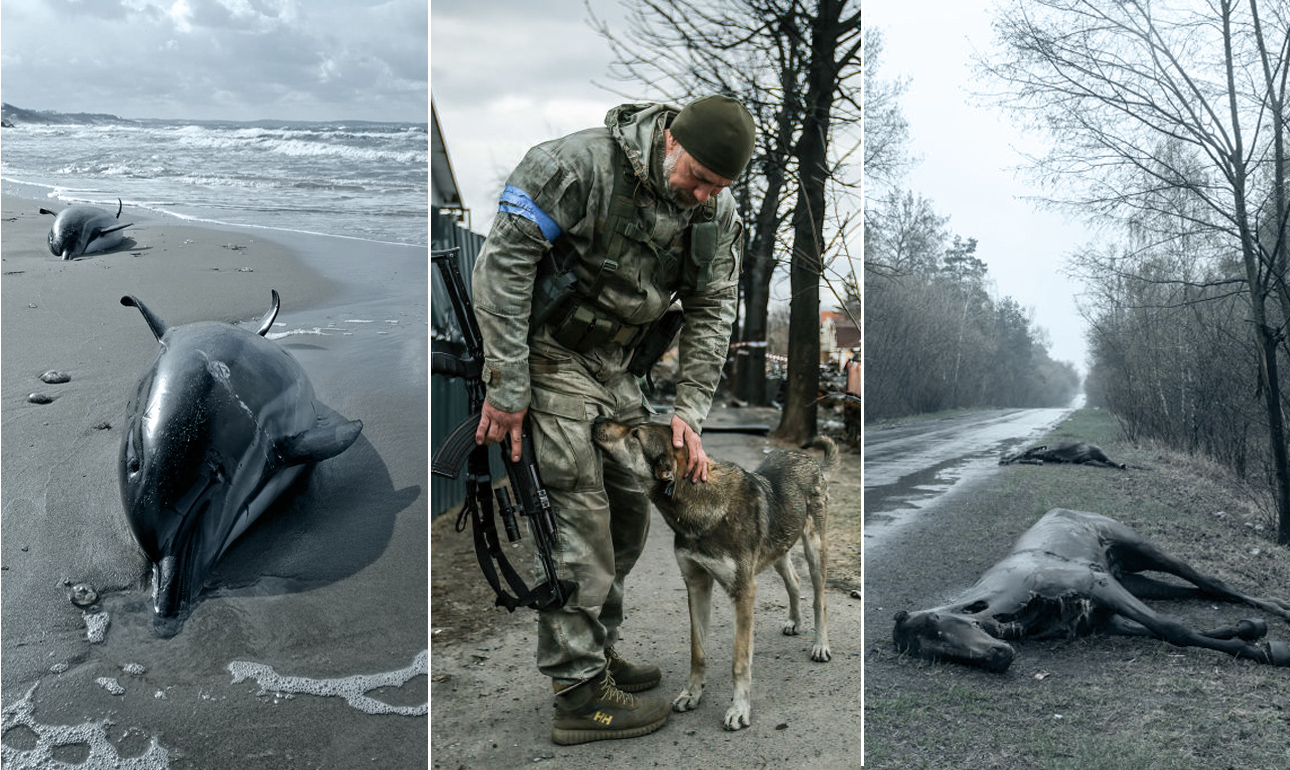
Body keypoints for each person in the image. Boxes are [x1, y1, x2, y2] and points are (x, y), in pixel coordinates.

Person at [470, 95, 754, 745]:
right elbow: (504, 267)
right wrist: (507, 384)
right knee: (580, 514)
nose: (707, 196)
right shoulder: (573, 167)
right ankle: (578, 695)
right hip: (548, 353)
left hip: (617, 366)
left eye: (722, 187)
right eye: (701, 179)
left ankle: (600, 649)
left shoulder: (715, 211)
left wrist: (689, 411)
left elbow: (712, 308)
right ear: (672, 143)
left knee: (630, 506)